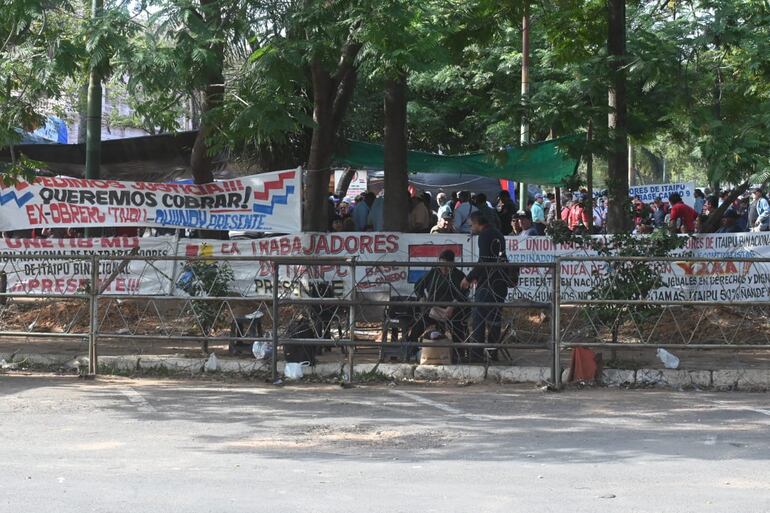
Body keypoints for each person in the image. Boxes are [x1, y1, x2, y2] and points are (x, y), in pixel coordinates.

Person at [461, 212, 508, 362]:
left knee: (478, 318)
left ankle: (477, 354)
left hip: (488, 283)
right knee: (494, 319)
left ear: (477, 223)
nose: (471, 228)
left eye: (471, 225)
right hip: (499, 281)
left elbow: (484, 260)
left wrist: (469, 277)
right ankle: (492, 352)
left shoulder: (484, 235)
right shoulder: (498, 234)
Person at [407, 249, 468, 347]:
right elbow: (419, 285)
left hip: (453, 312)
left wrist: (452, 306)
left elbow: (464, 292)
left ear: (452, 263)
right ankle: (411, 349)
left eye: (447, 265)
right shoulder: (434, 272)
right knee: (417, 327)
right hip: (433, 310)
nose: (444, 268)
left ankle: (458, 352)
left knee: (458, 330)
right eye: (441, 265)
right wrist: (422, 298)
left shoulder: (458, 275)